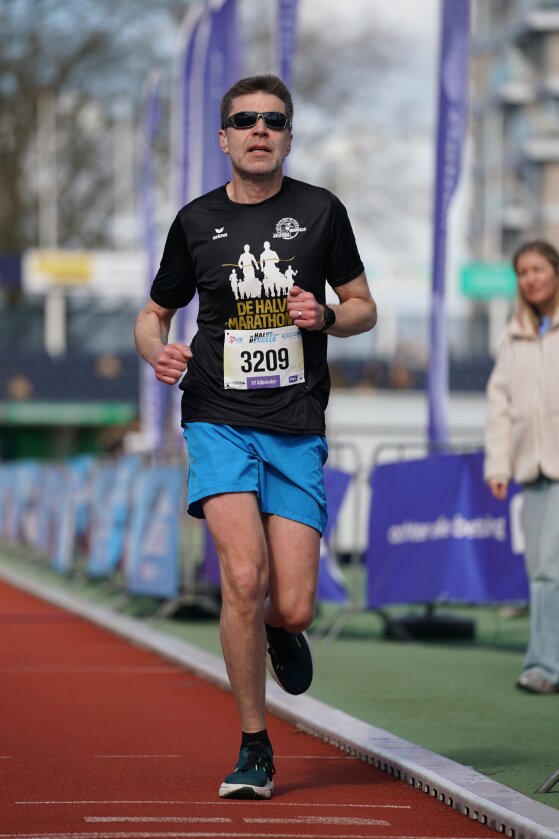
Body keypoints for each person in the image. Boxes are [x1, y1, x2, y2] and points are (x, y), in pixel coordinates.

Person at [134, 73, 377, 798]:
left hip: (295, 424)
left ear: (288, 136)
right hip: (216, 416)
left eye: (273, 119)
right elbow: (153, 314)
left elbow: (363, 307)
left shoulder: (321, 211)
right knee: (243, 578)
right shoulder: (195, 221)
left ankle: (279, 628)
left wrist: (326, 317)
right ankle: (253, 744)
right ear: (224, 138)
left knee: (292, 604)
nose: (259, 129)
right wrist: (157, 352)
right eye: (245, 120)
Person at [484, 239, 559, 695]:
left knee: (549, 568)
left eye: (538, 269)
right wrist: (499, 465)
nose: (530, 279)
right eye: (523, 272)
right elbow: (499, 406)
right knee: (541, 569)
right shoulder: (513, 334)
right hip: (533, 469)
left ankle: (544, 667)